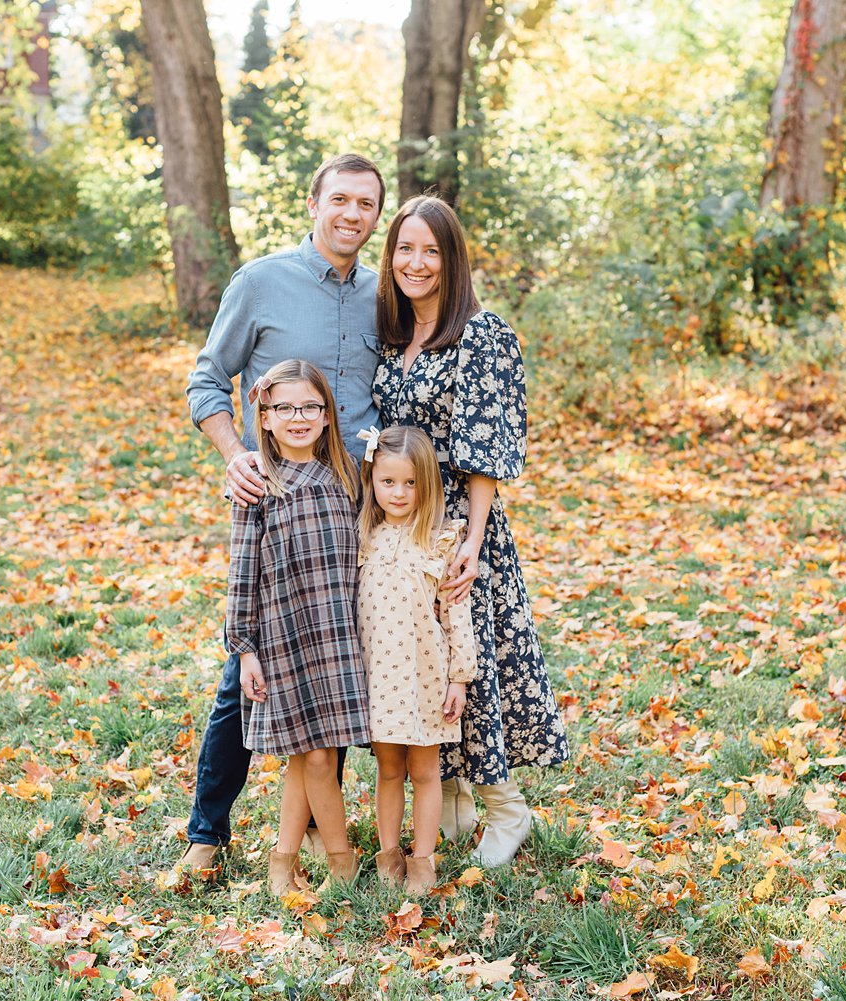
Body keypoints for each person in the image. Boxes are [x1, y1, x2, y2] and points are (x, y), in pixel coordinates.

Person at [178, 153, 386, 876]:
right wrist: (236, 451)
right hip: (276, 507)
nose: (353, 215)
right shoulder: (261, 282)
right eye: (341, 200)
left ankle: (315, 833)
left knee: (342, 672)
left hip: (359, 514)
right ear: (314, 203)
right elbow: (207, 375)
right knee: (246, 676)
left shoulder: (380, 296)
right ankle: (208, 831)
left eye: (367, 204)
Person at [372, 195, 569, 867]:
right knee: (420, 661)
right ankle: (450, 796)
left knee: (470, 664)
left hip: (457, 527)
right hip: (402, 533)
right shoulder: (397, 337)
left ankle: (507, 807)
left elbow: (485, 449)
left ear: (452, 259)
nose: (416, 262)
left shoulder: (482, 334)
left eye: (430, 250)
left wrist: (473, 546)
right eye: (404, 247)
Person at [228, 360, 370, 894]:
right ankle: (341, 862)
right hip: (285, 632)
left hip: (337, 629)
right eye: (283, 408)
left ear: (328, 415)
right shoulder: (257, 484)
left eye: (310, 406)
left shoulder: (347, 475)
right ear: (263, 418)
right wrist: (245, 649)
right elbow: (242, 571)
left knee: (315, 752)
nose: (298, 417)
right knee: (312, 753)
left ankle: (282, 862)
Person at [355, 424, 477, 895]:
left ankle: (422, 858)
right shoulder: (364, 536)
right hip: (378, 676)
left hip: (426, 674)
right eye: (388, 482)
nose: (399, 492)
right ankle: (389, 854)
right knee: (389, 769)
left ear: (427, 485)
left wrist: (459, 679)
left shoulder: (443, 540)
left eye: (410, 483)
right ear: (373, 482)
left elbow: (456, 615)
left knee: (426, 771)